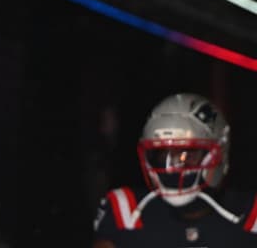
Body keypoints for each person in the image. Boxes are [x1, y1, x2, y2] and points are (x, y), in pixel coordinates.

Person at [92, 93, 257, 247]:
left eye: (187, 155)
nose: (172, 167)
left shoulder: (251, 216)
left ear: (218, 154)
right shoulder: (126, 213)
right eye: (163, 155)